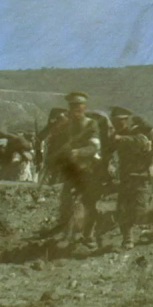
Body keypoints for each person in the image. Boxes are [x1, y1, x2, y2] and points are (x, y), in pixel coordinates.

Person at [48, 92, 102, 249]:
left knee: (88, 203)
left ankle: (89, 235)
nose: (76, 109)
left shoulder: (91, 124)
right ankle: (68, 235)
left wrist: (78, 152)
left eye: (79, 106)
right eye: (72, 106)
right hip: (71, 170)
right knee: (68, 202)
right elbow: (57, 144)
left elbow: (94, 147)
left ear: (84, 107)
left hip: (89, 169)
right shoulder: (66, 126)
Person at [108, 107, 153, 249]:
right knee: (123, 209)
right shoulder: (117, 135)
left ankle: (152, 209)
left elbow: (141, 141)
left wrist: (121, 138)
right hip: (126, 176)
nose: (117, 125)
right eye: (115, 122)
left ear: (126, 120)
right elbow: (109, 149)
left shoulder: (137, 131)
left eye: (120, 121)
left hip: (140, 176)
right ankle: (128, 239)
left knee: (140, 210)